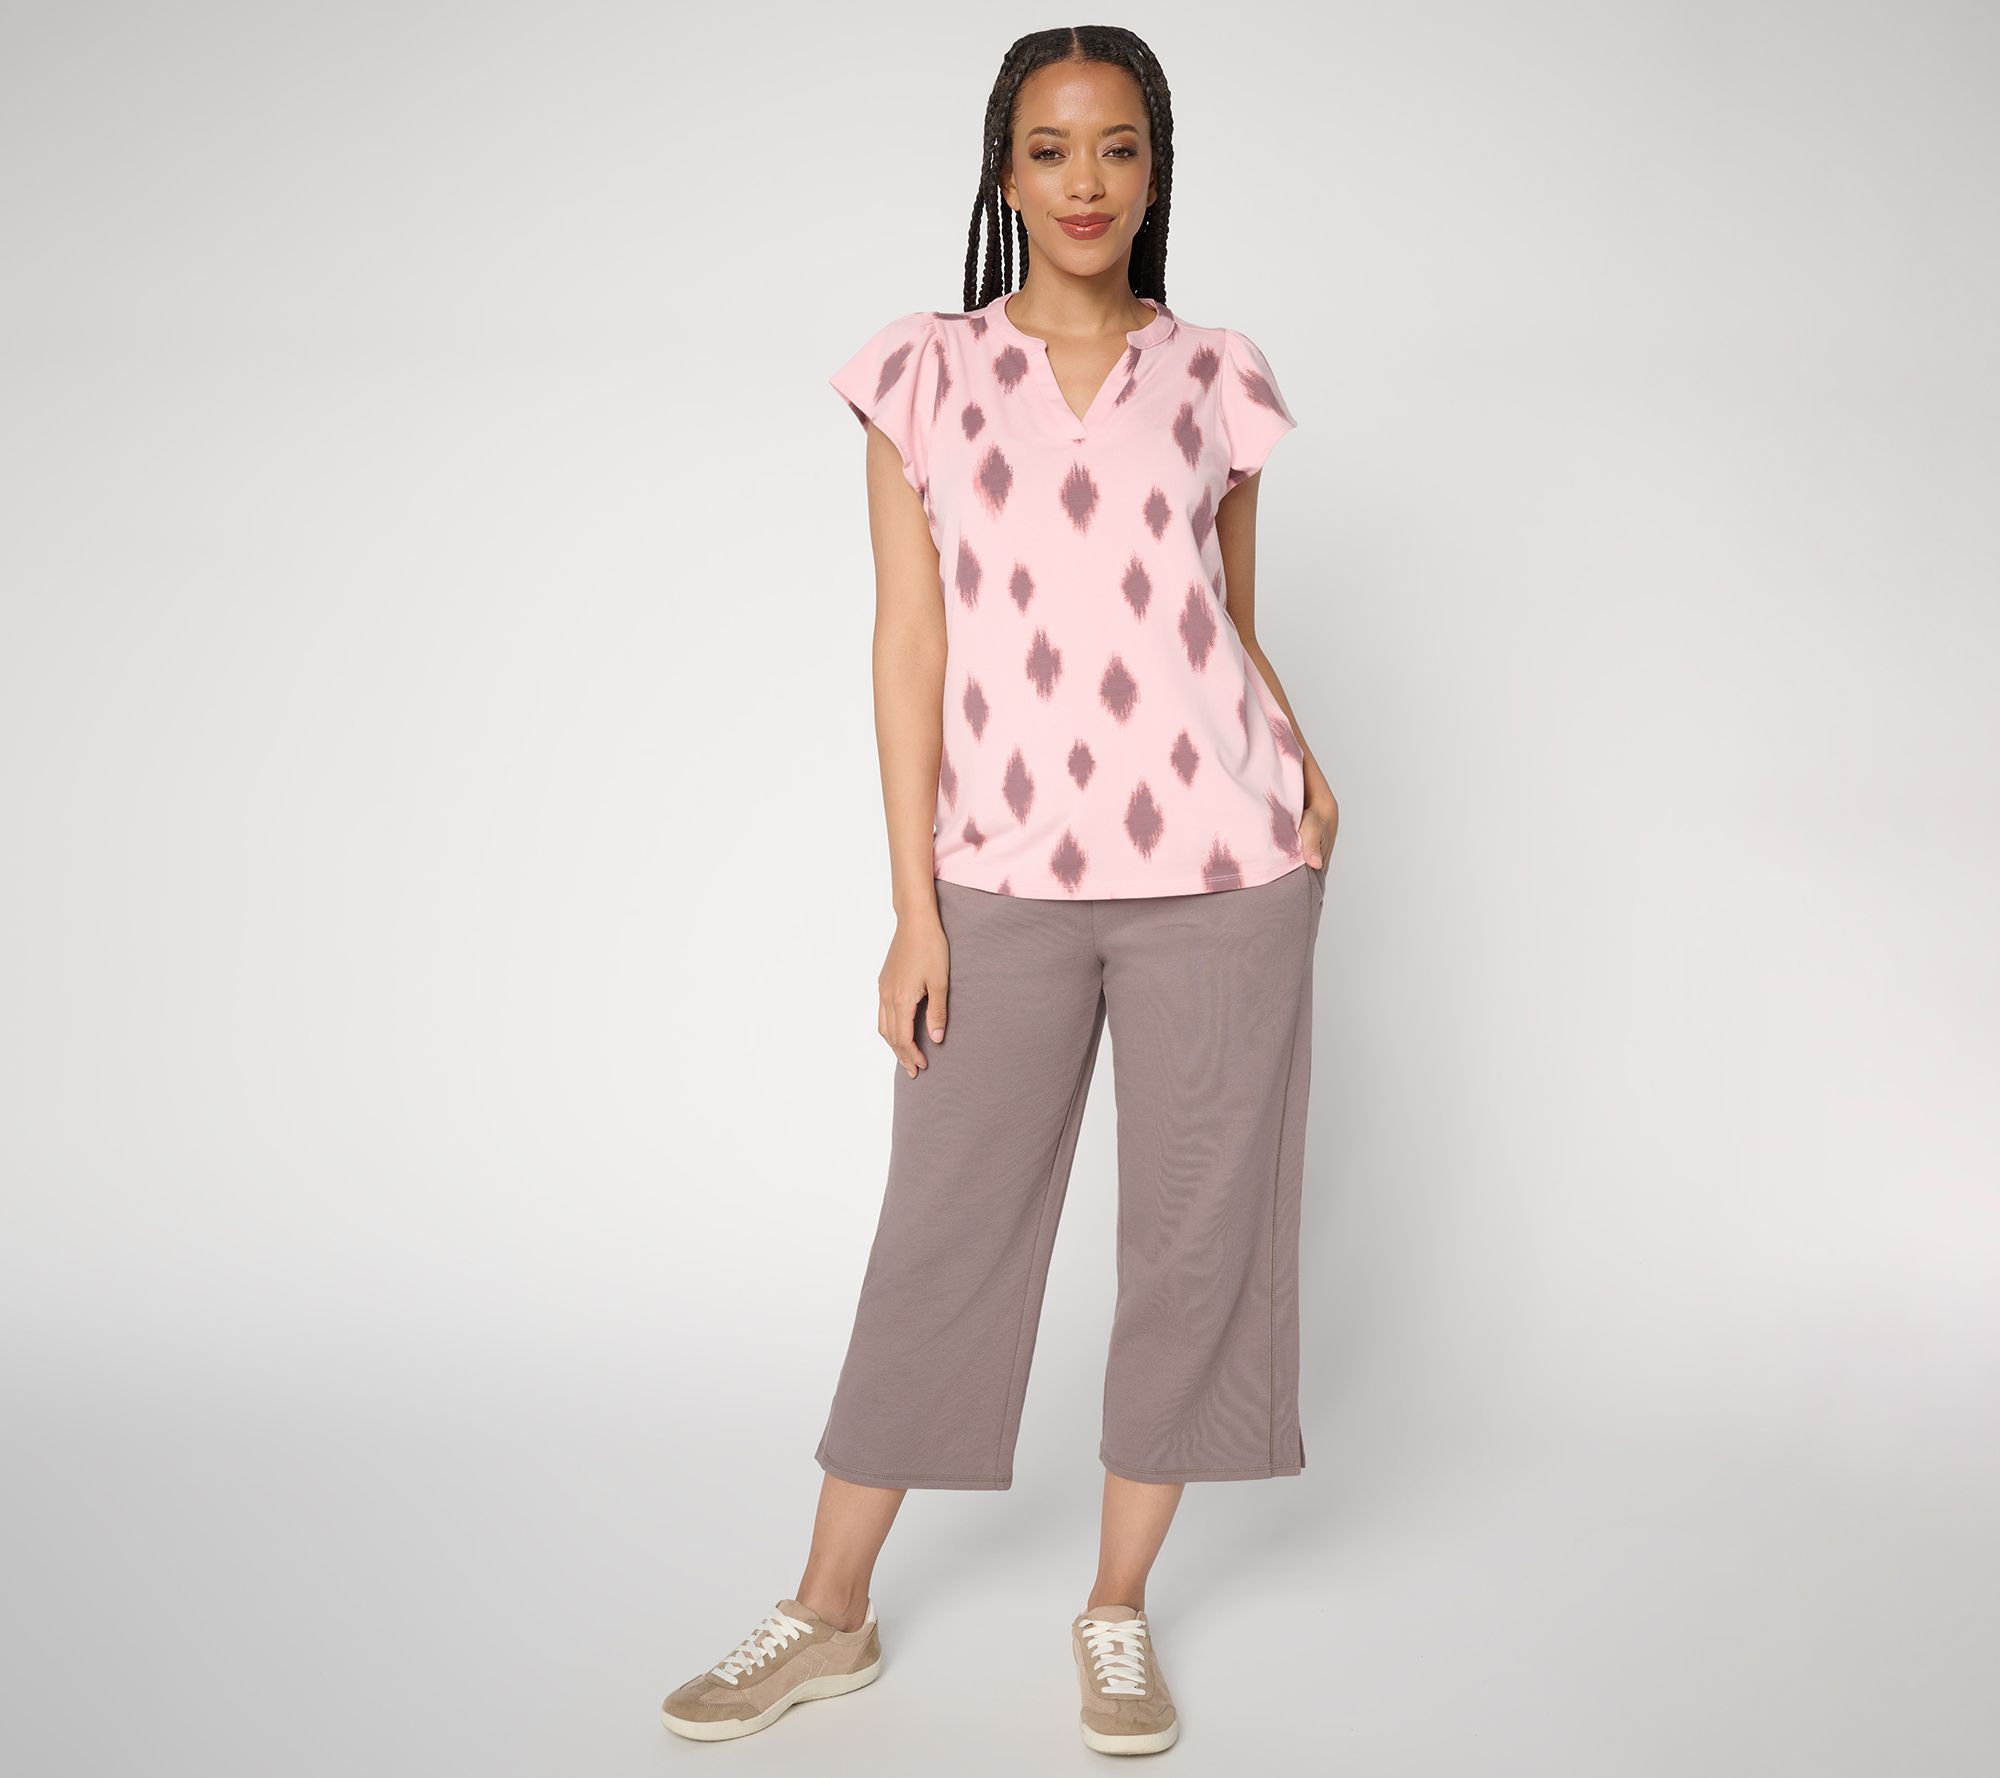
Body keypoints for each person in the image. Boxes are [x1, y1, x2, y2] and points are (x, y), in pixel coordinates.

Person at [662, 25, 1337, 1756]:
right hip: (1004, 876)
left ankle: (1115, 1609)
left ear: (1157, 168)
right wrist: (915, 906)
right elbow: (910, 646)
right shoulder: (925, 376)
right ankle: (829, 1607)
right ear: (1004, 170)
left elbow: (1224, 620)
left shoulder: (1218, 377)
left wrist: (1303, 760)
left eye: (1118, 147)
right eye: (1050, 149)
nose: (1086, 181)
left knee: (1193, 1243)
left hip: (1224, 870)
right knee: (940, 1237)